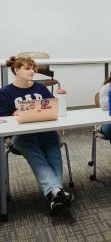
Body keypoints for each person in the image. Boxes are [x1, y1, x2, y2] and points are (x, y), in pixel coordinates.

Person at [0, 56, 73, 214]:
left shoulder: (40, 88)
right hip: (21, 136)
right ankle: (58, 191)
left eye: (33, 68)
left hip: (45, 131)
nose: (32, 71)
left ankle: (54, 195)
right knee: (36, 155)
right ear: (16, 70)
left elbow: (54, 109)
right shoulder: (5, 92)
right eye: (27, 68)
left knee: (53, 150)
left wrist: (60, 97)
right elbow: (2, 119)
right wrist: (14, 114)